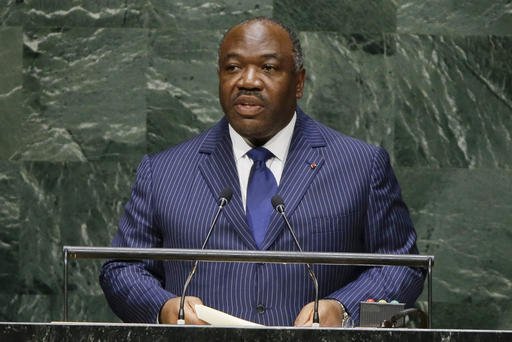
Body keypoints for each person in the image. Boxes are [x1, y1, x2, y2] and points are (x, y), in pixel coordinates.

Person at [100, 16, 425, 327]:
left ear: (298, 82)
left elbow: (401, 266)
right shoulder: (164, 172)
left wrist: (343, 310)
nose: (248, 81)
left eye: (268, 67)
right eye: (233, 68)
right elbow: (122, 268)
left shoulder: (360, 166)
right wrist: (162, 308)